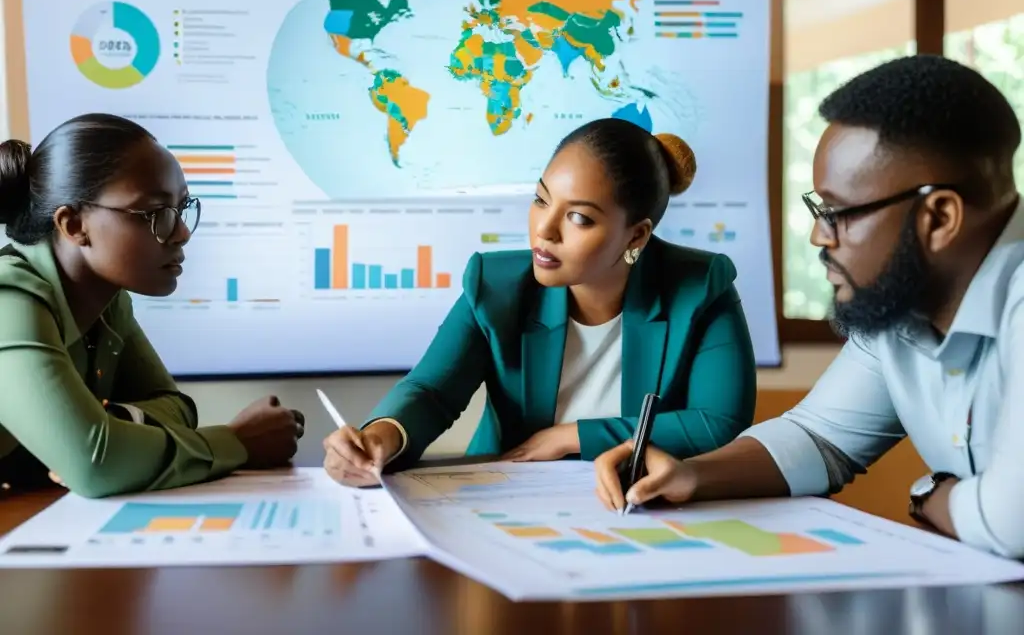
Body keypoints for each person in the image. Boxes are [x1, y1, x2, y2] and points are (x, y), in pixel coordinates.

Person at [594, 55, 1024, 559]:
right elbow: (820, 436)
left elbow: (1010, 522)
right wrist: (690, 474)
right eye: (818, 209)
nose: (819, 235)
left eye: (838, 212)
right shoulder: (902, 305)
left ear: (939, 217)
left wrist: (930, 493)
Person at [324, 117, 758, 486]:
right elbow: (431, 391)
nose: (544, 231)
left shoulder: (702, 286)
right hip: (506, 497)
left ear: (637, 235)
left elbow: (717, 422)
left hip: (634, 509)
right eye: (540, 200)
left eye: (579, 218)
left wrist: (573, 436)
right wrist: (382, 435)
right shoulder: (495, 285)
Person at [0, 113, 304, 497]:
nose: (181, 233)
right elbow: (97, 465)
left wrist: (114, 423)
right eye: (155, 213)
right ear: (74, 225)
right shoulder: (8, 298)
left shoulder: (108, 301)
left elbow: (178, 408)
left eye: (182, 207)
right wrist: (237, 442)